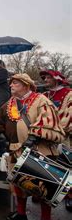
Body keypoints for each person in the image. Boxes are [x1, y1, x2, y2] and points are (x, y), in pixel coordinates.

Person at [0, 74, 66, 220]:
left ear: (26, 85)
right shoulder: (8, 104)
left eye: (15, 83)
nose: (11, 86)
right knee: (18, 185)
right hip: (15, 151)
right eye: (11, 83)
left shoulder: (41, 101)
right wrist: (2, 136)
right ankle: (21, 214)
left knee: (44, 187)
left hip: (39, 150)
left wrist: (32, 138)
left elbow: (50, 122)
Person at [40, 69, 71, 212]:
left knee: (65, 167)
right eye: (44, 77)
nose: (45, 80)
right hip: (45, 137)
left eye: (47, 77)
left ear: (56, 78)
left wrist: (56, 133)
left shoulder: (68, 94)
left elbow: (68, 116)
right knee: (46, 166)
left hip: (63, 137)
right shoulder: (45, 95)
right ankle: (42, 190)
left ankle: (69, 196)